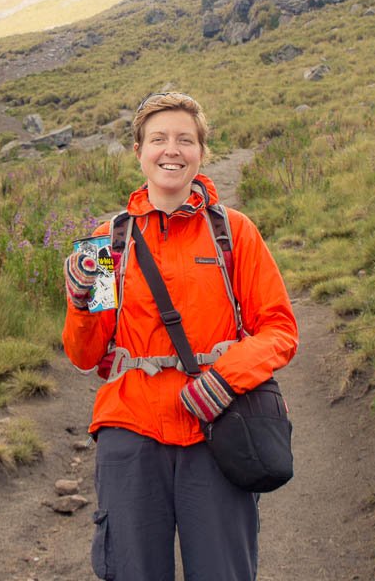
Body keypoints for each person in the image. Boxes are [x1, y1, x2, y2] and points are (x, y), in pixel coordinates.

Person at [62, 91, 298, 581]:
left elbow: (279, 329)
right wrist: (82, 302)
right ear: (139, 151)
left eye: (185, 140)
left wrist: (226, 378)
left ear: (201, 152)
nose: (172, 150)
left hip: (216, 431)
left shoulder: (235, 233)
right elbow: (85, 355)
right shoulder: (105, 241)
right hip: (129, 429)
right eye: (159, 139)